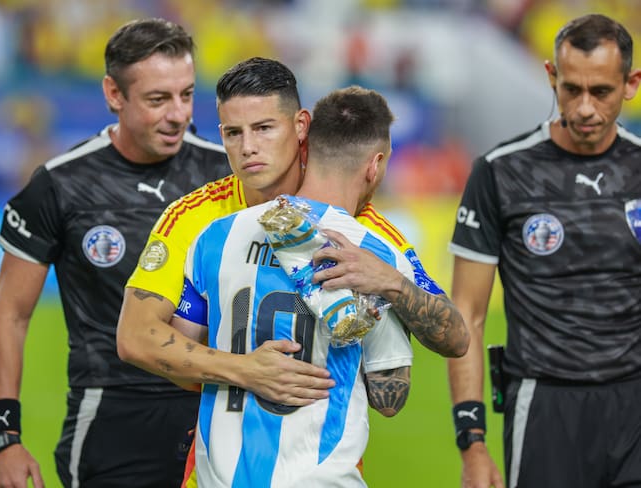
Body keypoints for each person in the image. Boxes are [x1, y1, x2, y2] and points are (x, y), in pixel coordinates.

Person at [117, 57, 468, 406]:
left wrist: (390, 283)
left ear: (301, 126)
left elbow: (455, 337)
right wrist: (245, 370)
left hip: (326, 455)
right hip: (216, 449)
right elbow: (135, 336)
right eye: (233, 133)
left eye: (264, 128)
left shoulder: (360, 227)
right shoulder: (194, 217)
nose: (248, 147)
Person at [0, 18, 232, 488]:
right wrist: (5, 438)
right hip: (112, 414)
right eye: (158, 99)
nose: (178, 114)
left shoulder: (225, 174)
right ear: (114, 94)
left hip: (216, 406)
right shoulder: (59, 185)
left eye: (186, 94)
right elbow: (11, 314)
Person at [175, 85, 413, 488]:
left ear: (307, 146)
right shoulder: (378, 255)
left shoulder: (215, 235)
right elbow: (391, 396)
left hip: (222, 476)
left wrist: (241, 369)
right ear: (374, 166)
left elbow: (182, 359)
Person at [447, 13, 641, 488]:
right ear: (551, 76)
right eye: (571, 89)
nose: (584, 109)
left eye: (601, 92)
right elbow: (467, 314)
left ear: (631, 84)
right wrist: (472, 443)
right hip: (545, 407)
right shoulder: (499, 172)